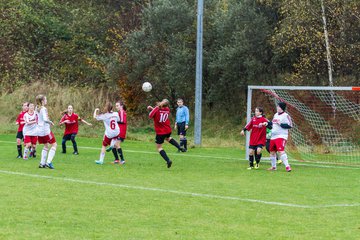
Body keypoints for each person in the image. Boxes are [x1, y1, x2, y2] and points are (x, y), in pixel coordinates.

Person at [148, 99, 185, 168]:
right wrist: (153, 108)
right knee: (168, 138)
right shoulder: (167, 109)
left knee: (159, 148)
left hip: (160, 131)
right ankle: (179, 147)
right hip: (167, 129)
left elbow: (150, 115)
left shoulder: (157, 108)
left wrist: (152, 109)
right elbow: (159, 112)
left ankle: (168, 160)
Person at [264, 102, 293, 172]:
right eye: (277, 106)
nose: (277, 107)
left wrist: (280, 123)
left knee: (280, 150)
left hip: (281, 136)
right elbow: (273, 124)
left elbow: (290, 125)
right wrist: (267, 123)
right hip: (273, 136)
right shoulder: (275, 115)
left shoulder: (286, 115)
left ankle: (287, 166)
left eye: (278, 106)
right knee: (272, 152)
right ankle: (273, 167)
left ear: (282, 108)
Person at [36, 95, 57, 169]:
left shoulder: (37, 108)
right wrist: (50, 122)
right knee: (54, 145)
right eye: (45, 99)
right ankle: (48, 162)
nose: (46, 100)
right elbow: (45, 119)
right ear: (42, 101)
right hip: (45, 131)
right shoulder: (43, 108)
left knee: (46, 146)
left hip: (39, 131)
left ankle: (42, 163)